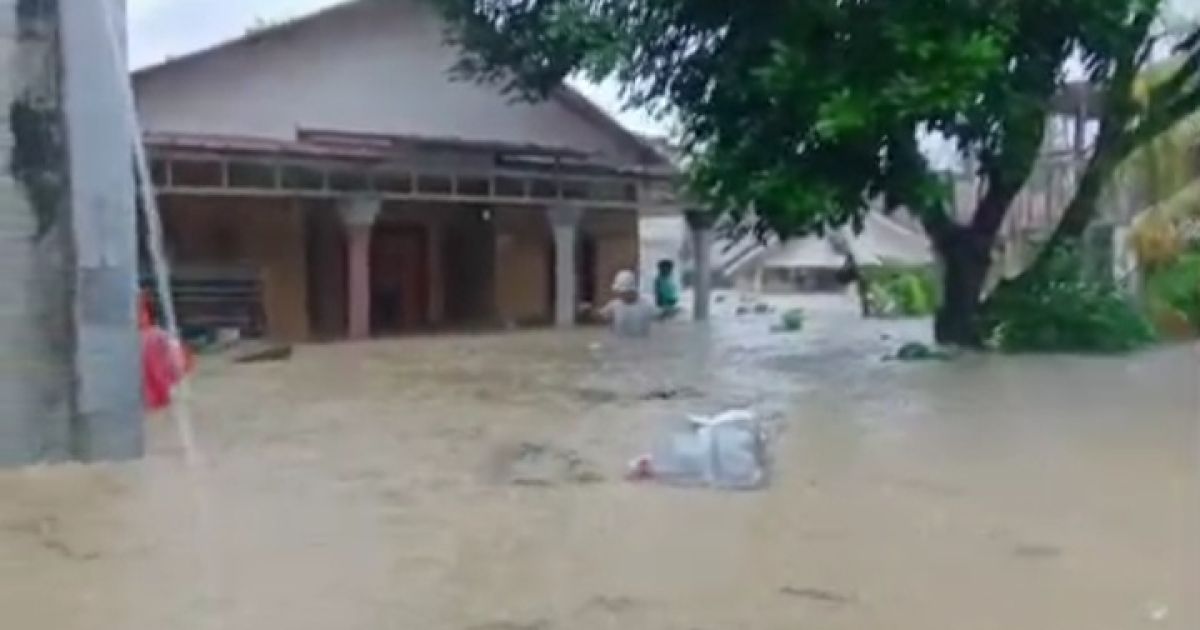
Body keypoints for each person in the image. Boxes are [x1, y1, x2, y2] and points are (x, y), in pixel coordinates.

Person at [597, 270, 657, 337]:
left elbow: (660, 319)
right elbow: (600, 316)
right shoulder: (613, 306)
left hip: (641, 344)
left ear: (632, 290)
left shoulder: (647, 306)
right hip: (619, 344)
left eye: (623, 292)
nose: (620, 294)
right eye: (619, 292)